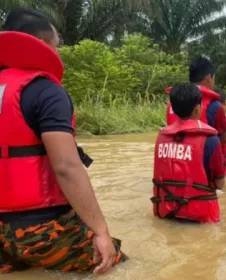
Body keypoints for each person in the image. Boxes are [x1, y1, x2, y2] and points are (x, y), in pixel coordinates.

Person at [0, 9, 126, 274]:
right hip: (40, 231)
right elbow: (66, 167)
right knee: (117, 265)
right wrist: (100, 231)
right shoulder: (46, 91)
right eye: (58, 45)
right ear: (42, 44)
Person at [152, 83, 224, 223]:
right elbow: (220, 184)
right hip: (200, 217)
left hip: (166, 214)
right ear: (198, 109)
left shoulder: (161, 136)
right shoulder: (210, 139)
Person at [165, 57, 226, 144]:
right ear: (209, 77)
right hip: (201, 154)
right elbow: (223, 141)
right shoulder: (215, 105)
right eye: (214, 78)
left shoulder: (172, 102)